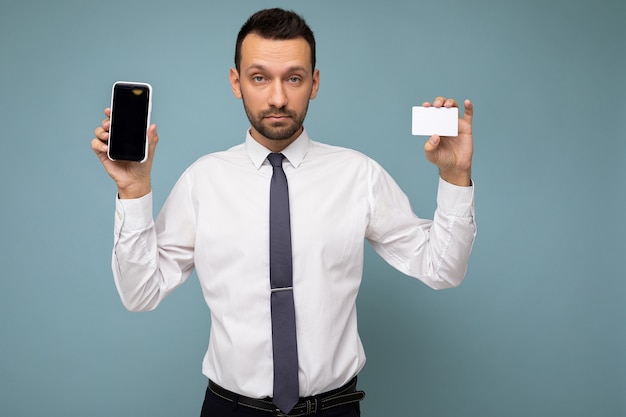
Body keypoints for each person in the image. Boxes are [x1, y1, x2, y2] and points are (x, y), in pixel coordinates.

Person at [91, 8, 476, 417]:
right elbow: (140, 293)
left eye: (293, 78)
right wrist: (133, 191)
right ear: (236, 83)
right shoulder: (202, 181)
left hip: (334, 409)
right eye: (259, 78)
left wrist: (455, 176)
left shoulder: (357, 174)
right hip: (230, 409)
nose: (277, 97)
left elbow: (442, 269)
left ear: (314, 83)